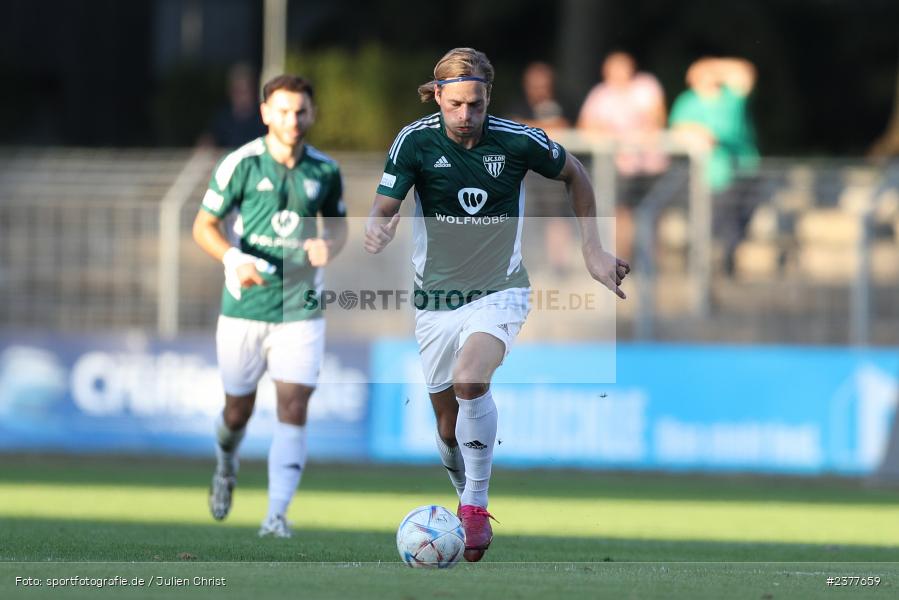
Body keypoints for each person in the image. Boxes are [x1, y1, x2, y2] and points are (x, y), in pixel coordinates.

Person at [364, 48, 629, 562]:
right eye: (456, 104)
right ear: (437, 96)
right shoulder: (414, 141)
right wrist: (378, 223)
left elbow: (576, 173)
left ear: (489, 99)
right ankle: (465, 490)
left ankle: (475, 506)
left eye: (477, 105)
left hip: (500, 289)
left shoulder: (518, 140)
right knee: (446, 427)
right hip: (435, 301)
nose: (466, 117)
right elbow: (384, 203)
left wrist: (592, 249)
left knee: (470, 379)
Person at [192, 74, 348, 538]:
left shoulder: (324, 170)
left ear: (312, 114)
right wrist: (234, 257)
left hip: (300, 308)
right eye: (282, 111)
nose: (292, 120)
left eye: (300, 111)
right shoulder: (239, 164)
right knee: (236, 411)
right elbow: (204, 226)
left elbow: (338, 227)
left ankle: (276, 515)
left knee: (294, 404)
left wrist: (329, 247)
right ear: (265, 113)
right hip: (245, 306)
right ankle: (226, 461)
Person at [669, 57, 760, 275]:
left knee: (735, 222)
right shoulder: (687, 102)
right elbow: (678, 132)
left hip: (739, 171)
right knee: (710, 223)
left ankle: (726, 264)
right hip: (707, 174)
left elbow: (745, 73)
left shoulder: (730, 97)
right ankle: (702, 268)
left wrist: (712, 66)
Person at [577, 51, 668, 263]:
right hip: (620, 166)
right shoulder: (601, 94)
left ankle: (653, 263)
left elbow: (656, 118)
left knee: (652, 214)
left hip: (650, 164)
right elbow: (586, 125)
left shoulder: (646, 86)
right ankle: (625, 262)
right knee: (621, 214)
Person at [203, 63, 267, 148]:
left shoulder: (264, 118)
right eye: (237, 90)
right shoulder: (222, 118)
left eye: (245, 91)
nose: (241, 96)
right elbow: (208, 142)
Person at [506, 62, 570, 132]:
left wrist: (528, 124)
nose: (540, 93)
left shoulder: (563, 104)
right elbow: (514, 126)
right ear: (527, 87)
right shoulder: (518, 107)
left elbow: (567, 126)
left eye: (544, 87)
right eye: (536, 88)